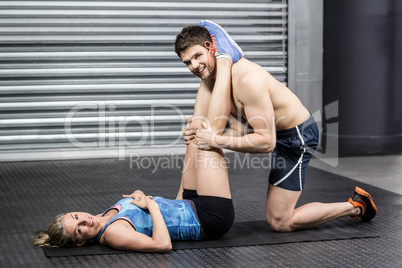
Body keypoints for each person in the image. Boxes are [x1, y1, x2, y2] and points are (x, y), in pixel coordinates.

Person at [175, 20, 378, 232]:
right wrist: (192, 128)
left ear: (211, 48)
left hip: (295, 137)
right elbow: (209, 124)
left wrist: (215, 139)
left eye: (197, 56)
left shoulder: (246, 80)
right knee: (202, 137)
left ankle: (355, 206)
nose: (193, 66)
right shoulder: (212, 75)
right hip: (261, 126)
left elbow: (266, 142)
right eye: (187, 62)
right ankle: (183, 205)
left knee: (280, 221)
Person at [33, 141, 235, 252]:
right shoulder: (112, 234)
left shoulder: (100, 216)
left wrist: (139, 195)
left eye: (77, 217)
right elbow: (162, 244)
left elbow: (139, 210)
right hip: (207, 220)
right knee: (209, 142)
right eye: (79, 230)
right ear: (80, 242)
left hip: (186, 202)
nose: (85, 221)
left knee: (195, 135)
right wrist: (150, 204)